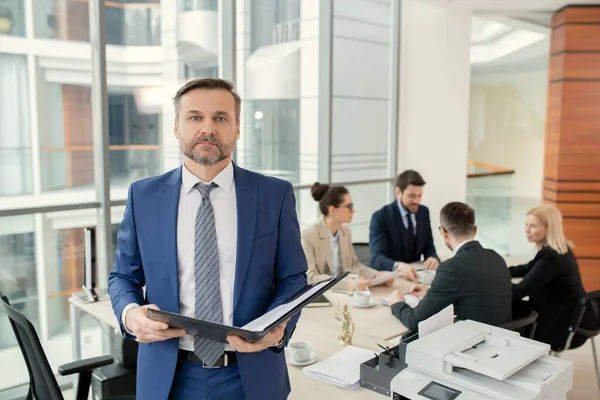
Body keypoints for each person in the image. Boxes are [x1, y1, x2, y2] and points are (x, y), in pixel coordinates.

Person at [108, 78, 308, 400]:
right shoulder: (143, 196)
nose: (208, 128)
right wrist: (130, 314)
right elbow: (123, 277)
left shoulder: (274, 195)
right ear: (176, 126)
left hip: (252, 376)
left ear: (237, 128)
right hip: (169, 377)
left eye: (220, 118)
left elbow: (293, 277)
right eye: (195, 117)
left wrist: (279, 325)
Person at [385, 202, 512, 332]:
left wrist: (397, 303)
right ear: (475, 229)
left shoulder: (451, 268)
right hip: (501, 341)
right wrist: (430, 296)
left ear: (444, 232)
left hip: (470, 343)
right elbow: (474, 297)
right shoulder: (496, 258)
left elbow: (415, 321)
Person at [511, 204, 595, 350]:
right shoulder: (559, 249)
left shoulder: (550, 258)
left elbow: (519, 291)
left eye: (533, 226)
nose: (527, 230)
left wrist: (494, 284)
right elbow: (527, 268)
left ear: (548, 228)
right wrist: (499, 270)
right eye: (526, 224)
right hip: (571, 316)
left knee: (506, 313)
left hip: (559, 326)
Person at [302, 183, 401, 291]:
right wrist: (348, 284)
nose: (353, 211)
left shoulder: (345, 231)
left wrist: (377, 275)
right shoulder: (308, 235)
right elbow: (311, 278)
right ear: (332, 210)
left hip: (346, 294)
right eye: (349, 206)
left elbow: (355, 265)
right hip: (324, 296)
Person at [369, 170, 439, 275]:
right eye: (412, 196)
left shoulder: (424, 212)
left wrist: (432, 258)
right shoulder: (381, 217)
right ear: (398, 192)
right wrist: (398, 266)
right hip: (390, 277)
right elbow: (376, 258)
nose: (417, 201)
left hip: (415, 275)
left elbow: (429, 247)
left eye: (420, 195)